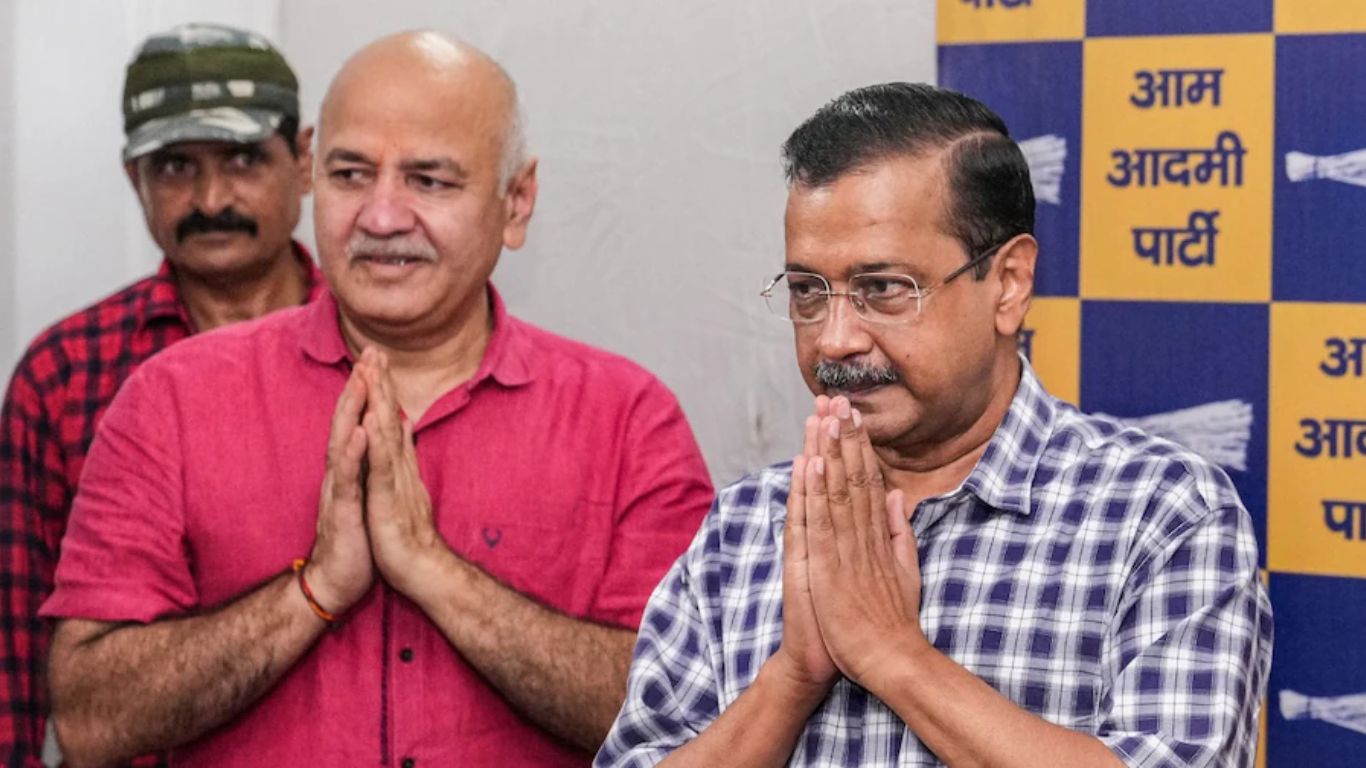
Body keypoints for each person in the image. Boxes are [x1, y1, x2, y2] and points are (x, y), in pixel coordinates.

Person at [41, 31, 713, 768]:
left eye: (430, 180)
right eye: (351, 175)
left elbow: (692, 718)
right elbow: (89, 721)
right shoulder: (170, 400)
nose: (382, 216)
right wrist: (315, 589)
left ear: (516, 202)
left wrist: (434, 572)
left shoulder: (627, 419)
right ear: (312, 178)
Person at [598, 83, 1273, 767]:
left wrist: (893, 654)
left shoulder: (1159, 514)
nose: (834, 339)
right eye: (807, 292)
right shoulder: (746, 526)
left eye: (883, 289)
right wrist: (791, 680)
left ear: (1008, 283)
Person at [0, 23, 321, 767]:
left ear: (302, 161)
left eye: (244, 159)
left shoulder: (383, 346)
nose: (211, 198)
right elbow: (15, 651)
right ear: (133, 178)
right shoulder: (66, 372)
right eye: (175, 166)